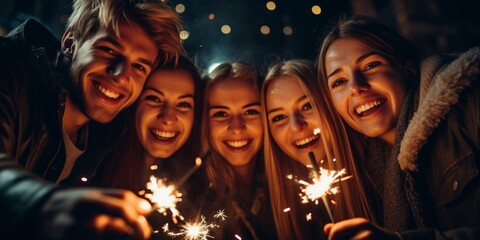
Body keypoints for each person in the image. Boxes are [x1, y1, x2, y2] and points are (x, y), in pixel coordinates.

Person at [0, 0, 183, 239]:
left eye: (138, 66)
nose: (120, 76)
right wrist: (45, 204)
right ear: (69, 43)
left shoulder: (110, 138)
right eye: (108, 50)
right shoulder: (9, 71)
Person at [317, 15, 480, 239]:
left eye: (370, 65)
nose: (356, 87)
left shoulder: (469, 105)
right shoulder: (369, 176)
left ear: (407, 67)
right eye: (339, 82)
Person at [261, 59, 377, 239]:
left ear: (330, 105)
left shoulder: (381, 173)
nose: (296, 126)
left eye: (307, 106)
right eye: (279, 117)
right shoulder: (276, 212)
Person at [191, 62, 277, 239]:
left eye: (250, 111)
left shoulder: (287, 186)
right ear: (204, 123)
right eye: (221, 114)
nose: (237, 128)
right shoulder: (192, 203)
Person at [93, 55, 203, 193]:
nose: (168, 118)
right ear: (134, 104)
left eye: (183, 104)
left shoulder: (202, 194)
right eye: (154, 99)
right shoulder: (92, 166)